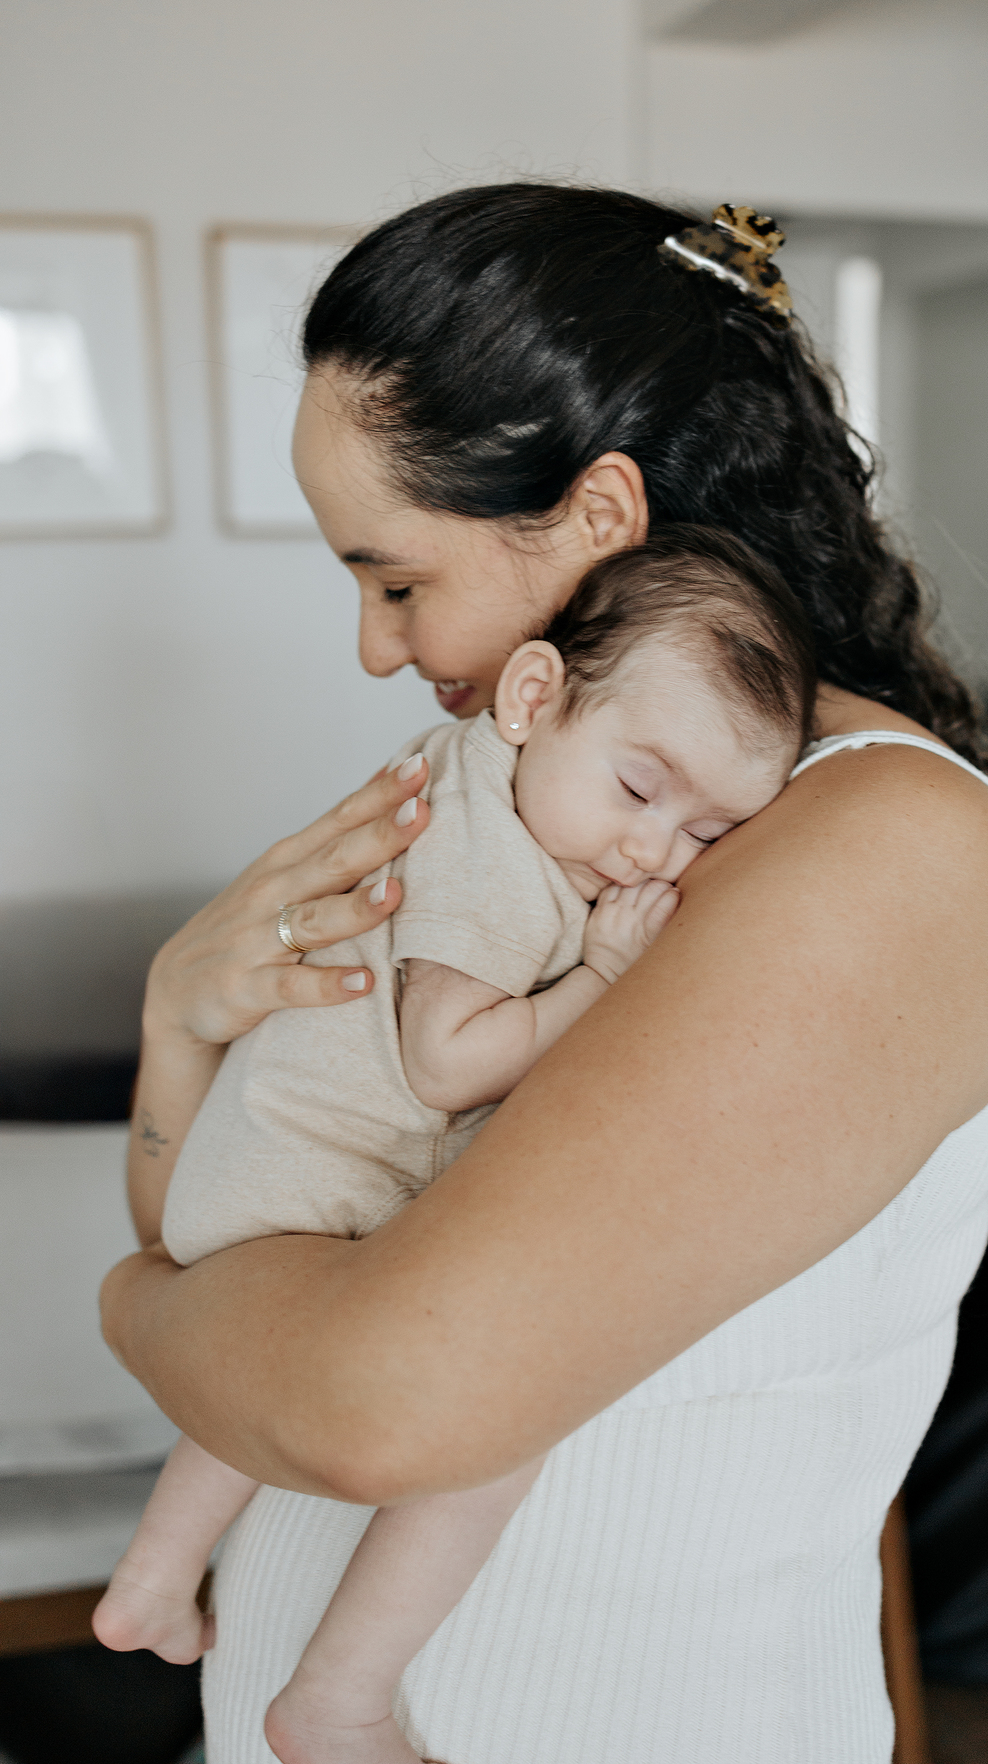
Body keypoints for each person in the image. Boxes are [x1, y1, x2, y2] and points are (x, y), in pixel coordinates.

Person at [100, 186, 988, 1764]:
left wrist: (138, 1313)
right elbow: (247, 1237)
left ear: (601, 513)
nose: (376, 648)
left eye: (397, 580)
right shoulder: (557, 817)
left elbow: (368, 1397)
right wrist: (179, 1025)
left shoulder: (876, 846)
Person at [91, 531, 810, 1764]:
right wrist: (600, 978)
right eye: (640, 792)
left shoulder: (498, 788)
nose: (652, 852)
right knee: (498, 1431)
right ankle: (339, 1695)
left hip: (260, 1176)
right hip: (313, 1180)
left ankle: (152, 1581)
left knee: (249, 1398)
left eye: (707, 833)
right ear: (532, 699)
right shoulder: (492, 852)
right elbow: (447, 1061)